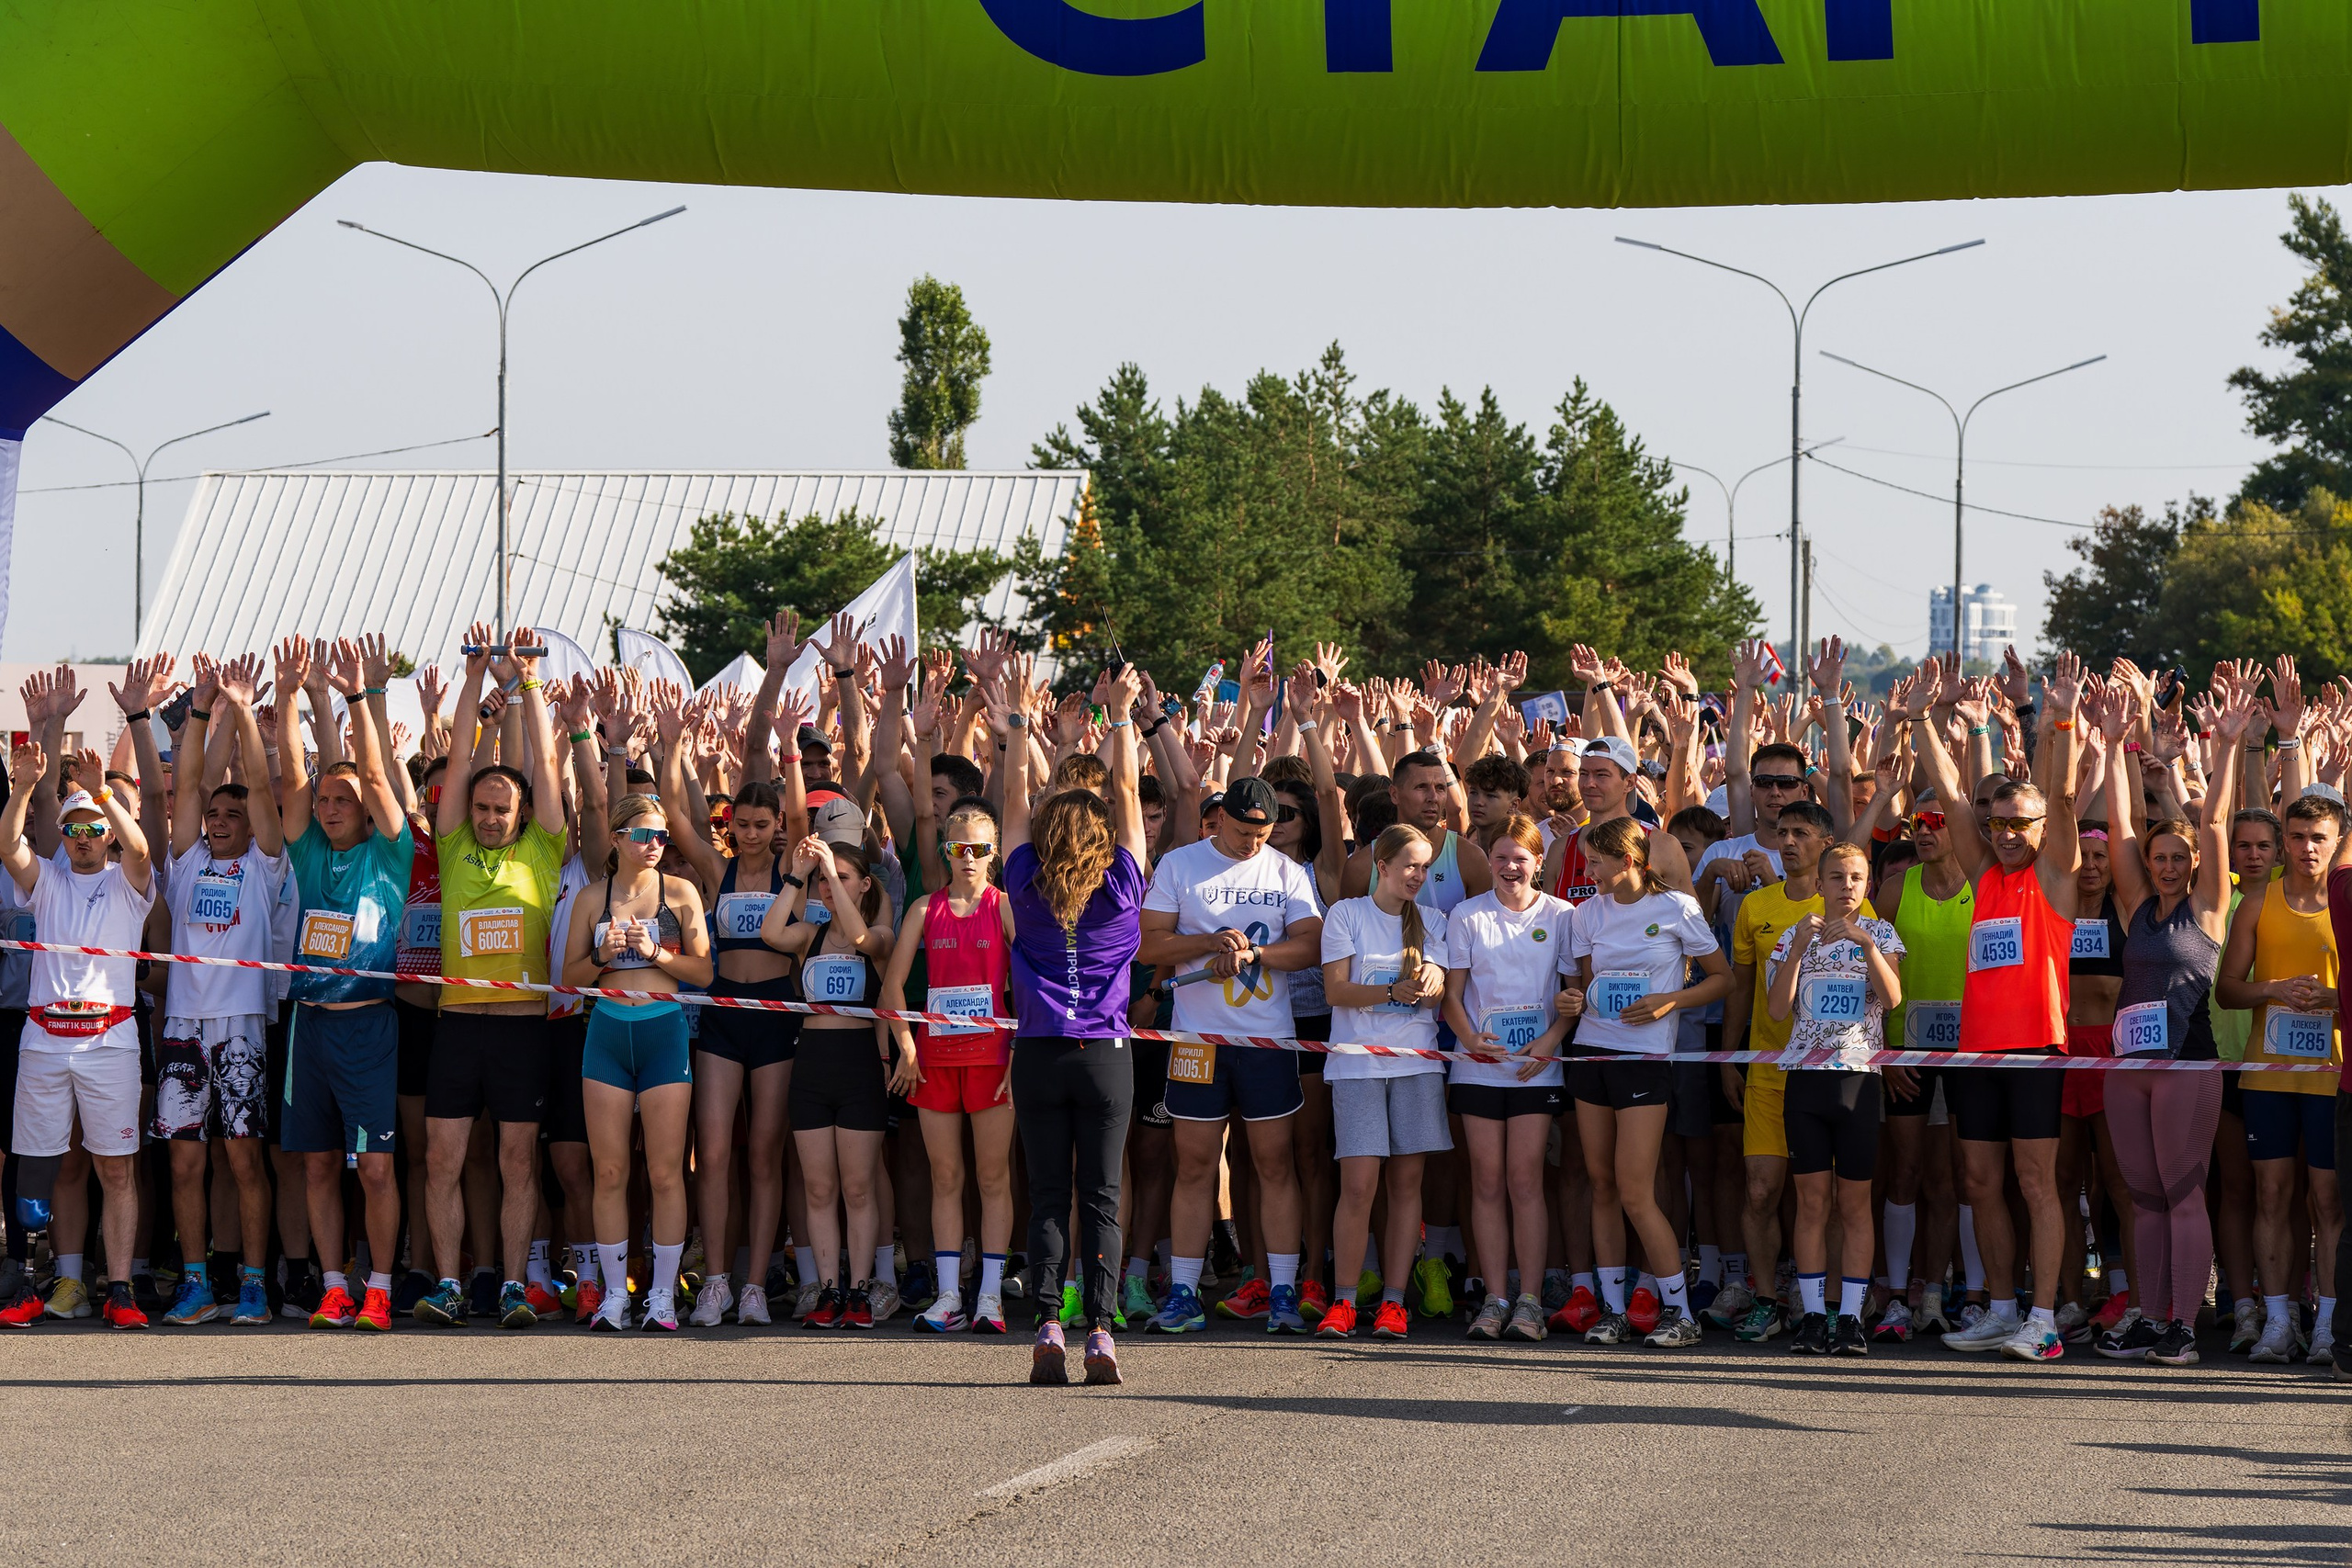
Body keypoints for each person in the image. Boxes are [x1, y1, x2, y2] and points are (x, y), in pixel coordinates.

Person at [1932, 654, 2088, 1362]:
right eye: (1995, 824)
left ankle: (2046, 1317)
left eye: (2016, 825)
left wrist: (2056, 716)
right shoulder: (1986, 872)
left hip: (2033, 1050)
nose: (2003, 833)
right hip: (1976, 1052)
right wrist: (1921, 723)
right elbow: (1947, 790)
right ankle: (1999, 1307)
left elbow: (2058, 802)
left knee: (2036, 1181)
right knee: (1979, 1181)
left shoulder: (2055, 875)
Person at [997, 660, 1149, 1386]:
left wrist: (1021, 730)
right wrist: (1120, 716)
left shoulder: (1022, 880)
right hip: (1106, 1055)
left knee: (1049, 1191)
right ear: (1105, 837)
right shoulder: (1123, 887)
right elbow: (1123, 789)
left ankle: (1048, 1321)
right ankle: (1100, 1331)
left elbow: (1016, 801)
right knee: (1103, 1196)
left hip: (1038, 1053)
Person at [419, 623, 568, 1329]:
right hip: (455, 1028)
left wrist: (530, 679)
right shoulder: (451, 846)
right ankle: (449, 1284)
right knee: (443, 1157)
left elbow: (543, 759)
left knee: (517, 1159)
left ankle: (513, 1284)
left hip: (520, 1032)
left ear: (523, 813)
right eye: (479, 807)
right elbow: (456, 752)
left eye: (500, 808)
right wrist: (476, 674)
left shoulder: (542, 849)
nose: (486, 817)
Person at [1141, 771, 1324, 1339]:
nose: (1253, 844)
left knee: (1274, 1164)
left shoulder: (1285, 871)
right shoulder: (1180, 864)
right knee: (1194, 1166)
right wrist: (1209, 943)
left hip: (1266, 1041)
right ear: (1220, 819)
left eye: (1264, 833)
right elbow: (1148, 943)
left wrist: (1257, 955)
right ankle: (1182, 1294)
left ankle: (1284, 1291)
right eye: (1245, 832)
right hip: (1198, 1040)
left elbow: (1313, 944)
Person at [2092, 679, 2241, 1367]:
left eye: (2181, 858)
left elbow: (2212, 822)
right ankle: (2153, 1319)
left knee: (2183, 1194)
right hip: (2130, 1069)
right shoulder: (2136, 907)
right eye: (2162, 858)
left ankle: (2185, 1322)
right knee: (2144, 1196)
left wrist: (2230, 743)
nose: (2172, 865)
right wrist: (2121, 743)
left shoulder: (2208, 907)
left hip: (2187, 1063)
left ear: (2196, 865)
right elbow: (2121, 827)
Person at [274, 637, 413, 1334]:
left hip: (370, 1026)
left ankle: (380, 1286)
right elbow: (292, 782)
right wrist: (289, 694)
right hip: (311, 1027)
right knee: (320, 1164)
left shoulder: (390, 853)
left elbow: (381, 781)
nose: (329, 808)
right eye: (324, 799)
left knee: (377, 1169)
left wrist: (357, 698)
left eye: (343, 799)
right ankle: (335, 1285)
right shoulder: (306, 851)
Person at [152, 653, 285, 1327]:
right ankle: (197, 1280)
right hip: (183, 1022)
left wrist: (242, 711)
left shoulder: (265, 865)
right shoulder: (187, 859)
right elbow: (195, 780)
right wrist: (202, 708)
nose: (223, 816)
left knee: (243, 1157)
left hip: (240, 1024)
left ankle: (255, 1284)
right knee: (184, 1162)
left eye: (234, 812)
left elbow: (258, 787)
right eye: (216, 812)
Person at [0, 743, 153, 1329]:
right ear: (62, 837)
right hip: (43, 1039)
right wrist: (24, 787)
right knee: (40, 1165)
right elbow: (9, 847)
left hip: (109, 1041)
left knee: (115, 1169)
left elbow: (139, 846)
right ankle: (43, 1280)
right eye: (72, 829)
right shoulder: (49, 882)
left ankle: (120, 1290)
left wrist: (106, 793)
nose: (84, 837)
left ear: (106, 832)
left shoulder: (129, 880)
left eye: (93, 828)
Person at [1568, 815, 1731, 1348]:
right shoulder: (1586, 914)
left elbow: (1722, 978)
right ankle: (1613, 1310)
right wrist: (1569, 1002)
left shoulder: (1676, 907)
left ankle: (1680, 1312)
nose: (1587, 869)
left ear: (1629, 861)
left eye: (1596, 860)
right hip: (1592, 1053)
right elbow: (1585, 988)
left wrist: (1670, 1000)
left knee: (1637, 1190)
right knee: (1602, 1185)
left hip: (1645, 1059)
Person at [560, 793, 713, 1330]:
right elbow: (570, 979)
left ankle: (664, 1297)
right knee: (608, 1171)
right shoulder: (590, 898)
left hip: (663, 1030)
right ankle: (614, 1296)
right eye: (643, 835)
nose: (654, 845)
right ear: (618, 839)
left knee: (666, 1172)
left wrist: (658, 955)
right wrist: (603, 957)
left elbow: (704, 974)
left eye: (662, 836)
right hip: (606, 1030)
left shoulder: (681, 891)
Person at [1723, 800, 1860, 1343]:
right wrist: (1729, 1059)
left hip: (1831, 1075)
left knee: (1819, 1198)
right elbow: (1739, 989)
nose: (1788, 841)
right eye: (1782, 832)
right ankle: (1765, 1298)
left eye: (1801, 832)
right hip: (1768, 1070)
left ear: (1825, 843)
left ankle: (1821, 1304)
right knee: (1759, 1191)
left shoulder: (1858, 909)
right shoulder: (1755, 907)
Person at [2216, 791, 2344, 1365]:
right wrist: (2270, 989)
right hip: (2267, 1074)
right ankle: (2276, 1321)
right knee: (2271, 1194)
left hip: (2333, 1076)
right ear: (2283, 841)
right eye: (2296, 837)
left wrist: (2336, 999)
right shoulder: (2256, 901)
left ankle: (2329, 1326)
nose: (2306, 848)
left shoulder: (2346, 901)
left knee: (2328, 1201)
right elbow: (2227, 988)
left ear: (2337, 841)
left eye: (2319, 837)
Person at [764, 834, 910, 1331]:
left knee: (858, 1188)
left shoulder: (881, 934)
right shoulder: (809, 933)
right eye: (826, 881)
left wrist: (828, 867)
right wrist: (798, 874)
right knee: (820, 1187)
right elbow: (769, 932)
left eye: (840, 878)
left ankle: (861, 1289)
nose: (830, 887)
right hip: (812, 1068)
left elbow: (866, 940)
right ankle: (828, 1288)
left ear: (865, 884)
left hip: (859, 1068)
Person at [1441, 813, 1576, 1342]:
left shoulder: (1563, 915)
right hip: (1478, 1067)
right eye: (1500, 857)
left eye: (1520, 858)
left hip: (1536, 1069)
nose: (1510, 867)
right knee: (1487, 1181)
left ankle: (1530, 1301)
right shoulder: (1467, 916)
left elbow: (1572, 995)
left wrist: (1547, 1044)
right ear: (1487, 860)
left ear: (1538, 862)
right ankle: (1495, 1298)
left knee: (1525, 1180)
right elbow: (1452, 995)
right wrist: (1470, 1040)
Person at [1766, 840, 1904, 1357]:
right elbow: (1778, 1011)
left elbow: (1891, 999)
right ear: (1820, 883)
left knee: (1853, 1203)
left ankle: (1850, 1318)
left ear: (1866, 885)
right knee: (1811, 1202)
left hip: (1858, 1079)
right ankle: (1811, 1315)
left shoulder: (1881, 932)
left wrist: (1867, 946)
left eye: (1856, 879)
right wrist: (1800, 949)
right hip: (1805, 1080)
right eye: (1837, 878)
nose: (1847, 887)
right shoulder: (1794, 935)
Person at [884, 801, 1017, 1335]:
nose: (968, 858)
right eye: (958, 848)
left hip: (991, 1057)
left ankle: (989, 1297)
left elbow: (1031, 985)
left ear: (994, 854)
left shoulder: (1004, 905)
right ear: (945, 850)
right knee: (945, 1176)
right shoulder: (923, 908)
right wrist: (906, 1046)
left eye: (980, 850)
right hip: (934, 1059)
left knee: (992, 1176)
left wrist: (1018, 1054)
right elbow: (893, 986)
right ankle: (947, 1296)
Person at [1316, 824, 1452, 1340]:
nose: (1418, 875)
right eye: (1410, 865)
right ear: (1383, 865)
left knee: (1406, 1187)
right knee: (1358, 1188)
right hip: (1357, 1066)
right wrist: (1393, 991)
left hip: (1416, 1064)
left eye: (1425, 867)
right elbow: (1336, 991)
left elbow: (1440, 991)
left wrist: (1435, 980)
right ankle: (1345, 1301)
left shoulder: (1434, 920)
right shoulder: (1346, 914)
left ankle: (1395, 1302)